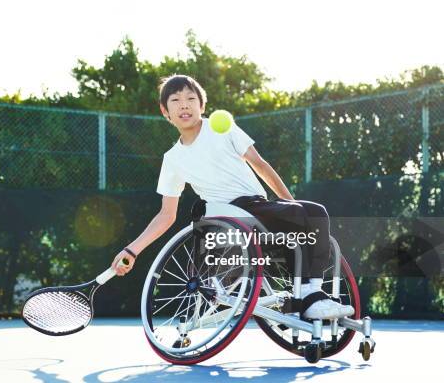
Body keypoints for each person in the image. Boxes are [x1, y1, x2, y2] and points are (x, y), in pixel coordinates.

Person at [110, 75, 354, 319]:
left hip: (258, 208)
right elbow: (166, 214)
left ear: (202, 106)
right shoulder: (172, 159)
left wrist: (291, 203)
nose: (184, 105)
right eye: (175, 100)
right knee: (305, 214)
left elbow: (260, 165)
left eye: (191, 98)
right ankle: (310, 298)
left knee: (313, 212)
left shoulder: (223, 127)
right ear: (165, 111)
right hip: (225, 219)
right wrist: (132, 251)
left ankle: (311, 294)